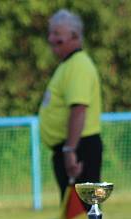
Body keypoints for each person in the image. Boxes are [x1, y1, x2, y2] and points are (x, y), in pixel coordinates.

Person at [38, 9, 103, 201]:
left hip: (79, 148)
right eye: (50, 33)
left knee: (82, 216)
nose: (51, 38)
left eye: (57, 33)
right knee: (73, 218)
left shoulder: (78, 65)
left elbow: (79, 109)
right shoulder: (67, 65)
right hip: (73, 147)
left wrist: (69, 150)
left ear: (74, 35)